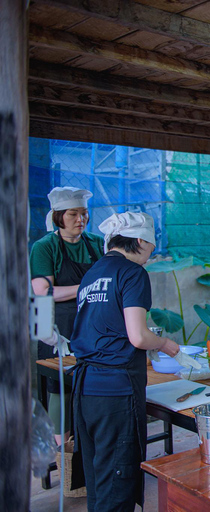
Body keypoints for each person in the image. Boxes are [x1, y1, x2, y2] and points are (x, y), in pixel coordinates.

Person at [69, 212, 200, 511]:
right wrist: (167, 344)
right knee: (118, 482)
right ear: (141, 240)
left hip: (85, 390)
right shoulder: (132, 273)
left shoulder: (93, 273)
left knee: (99, 476)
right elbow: (139, 336)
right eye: (151, 247)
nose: (151, 254)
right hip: (116, 390)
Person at [30, 186, 105, 445]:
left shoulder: (96, 242)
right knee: (60, 388)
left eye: (84, 213)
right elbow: (44, 291)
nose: (81, 219)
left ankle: (90, 442)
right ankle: (64, 451)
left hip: (93, 323)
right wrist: (86, 286)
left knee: (93, 383)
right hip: (59, 328)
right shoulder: (44, 247)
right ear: (58, 216)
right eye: (73, 214)